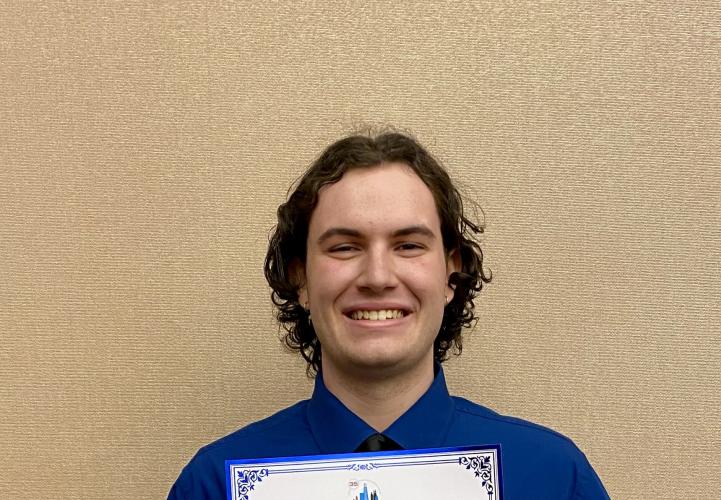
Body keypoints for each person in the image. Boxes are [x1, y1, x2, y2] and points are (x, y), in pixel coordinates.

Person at [168, 131, 609, 499]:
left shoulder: (555, 477)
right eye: (344, 247)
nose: (377, 276)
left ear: (450, 274)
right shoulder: (213, 485)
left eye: (409, 245)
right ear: (300, 277)